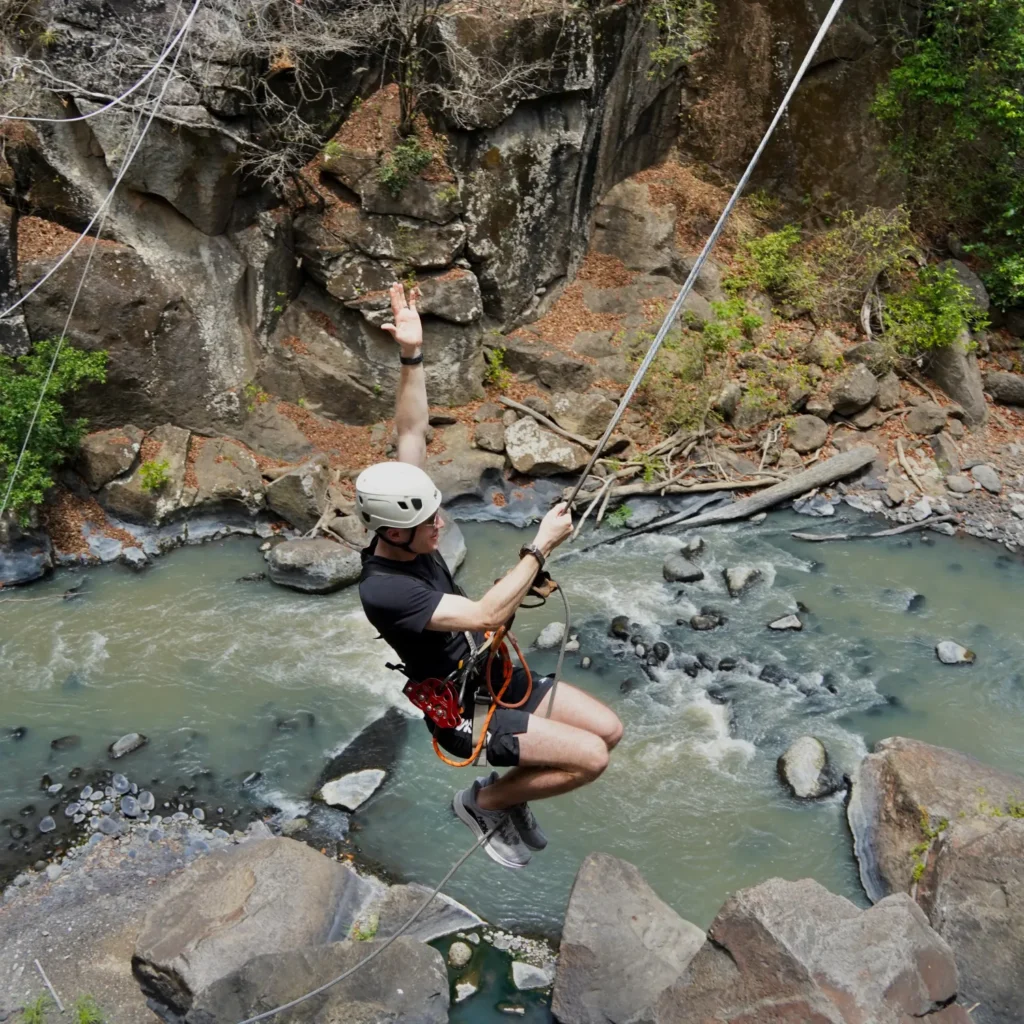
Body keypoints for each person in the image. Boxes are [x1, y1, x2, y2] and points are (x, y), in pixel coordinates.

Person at [356, 282, 623, 870]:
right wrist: (538, 547)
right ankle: (483, 802)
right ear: (392, 533)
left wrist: (411, 355)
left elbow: (408, 431)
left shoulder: (405, 522)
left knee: (609, 730)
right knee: (590, 759)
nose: (441, 526)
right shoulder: (384, 588)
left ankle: (511, 795)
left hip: (495, 674)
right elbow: (482, 615)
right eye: (428, 525)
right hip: (466, 711)